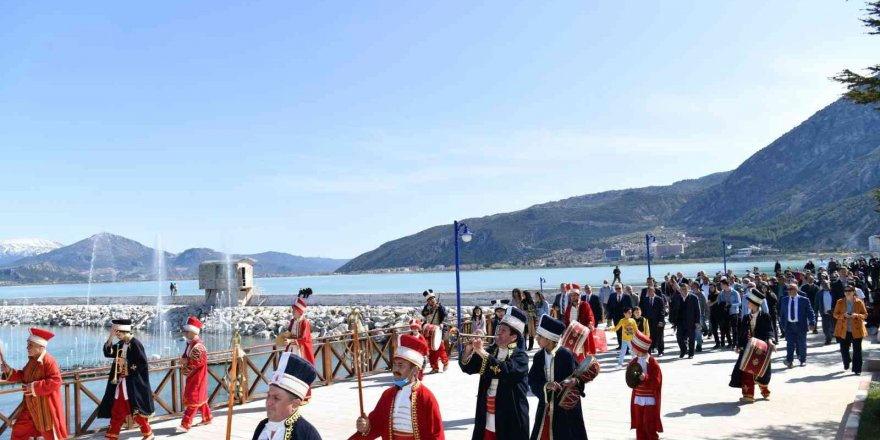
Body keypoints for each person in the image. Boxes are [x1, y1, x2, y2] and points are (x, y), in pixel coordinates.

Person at [351, 334, 444, 440]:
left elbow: (436, 434)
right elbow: (376, 424)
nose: (395, 369)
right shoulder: (388, 395)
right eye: (394, 364)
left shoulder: (426, 397)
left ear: (414, 370)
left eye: (401, 365)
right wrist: (366, 427)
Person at [459, 306, 530, 440]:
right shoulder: (491, 351)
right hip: (487, 416)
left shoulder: (521, 357)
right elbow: (468, 368)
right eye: (498, 328)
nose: (498, 332)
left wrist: (481, 351)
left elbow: (504, 370)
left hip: (510, 418)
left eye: (503, 330)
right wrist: (469, 349)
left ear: (513, 337)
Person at [527, 315, 589, 440]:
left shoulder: (566, 355)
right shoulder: (538, 356)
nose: (537, 339)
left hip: (566, 408)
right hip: (545, 406)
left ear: (549, 339)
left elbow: (580, 377)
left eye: (540, 337)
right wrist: (546, 386)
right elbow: (532, 380)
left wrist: (574, 381)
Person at [0, 327, 67, 440]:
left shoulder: (49, 361)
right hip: (30, 407)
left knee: (49, 434)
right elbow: (23, 376)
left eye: (30, 345)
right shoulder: (32, 360)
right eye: (27, 344)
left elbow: (56, 381)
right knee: (18, 430)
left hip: (44, 408)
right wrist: (9, 371)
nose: (27, 347)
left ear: (41, 347)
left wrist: (34, 387)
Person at [97, 319, 155, 440]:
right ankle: (113, 435)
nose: (117, 336)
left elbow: (142, 363)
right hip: (121, 383)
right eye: (116, 334)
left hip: (133, 384)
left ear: (124, 331)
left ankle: (147, 433)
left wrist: (126, 364)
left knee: (134, 410)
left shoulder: (135, 343)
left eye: (118, 333)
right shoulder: (121, 343)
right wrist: (110, 337)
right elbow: (108, 353)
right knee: (118, 408)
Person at [253, 353, 322, 440]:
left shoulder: (307, 434)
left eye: (276, 398)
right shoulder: (262, 427)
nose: (269, 402)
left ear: (295, 404)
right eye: (268, 395)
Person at [729, 289, 774, 402]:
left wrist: (770, 341)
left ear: (754, 303)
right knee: (746, 371)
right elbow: (741, 333)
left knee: (761, 371)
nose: (747, 304)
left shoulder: (765, 316)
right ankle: (748, 396)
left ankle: (765, 391)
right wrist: (738, 345)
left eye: (748, 302)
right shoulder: (745, 318)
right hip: (748, 349)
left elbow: (769, 331)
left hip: (760, 349)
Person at [177, 316, 212, 433]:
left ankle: (185, 424)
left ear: (193, 332)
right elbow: (188, 357)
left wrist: (185, 363)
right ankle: (207, 417)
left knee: (193, 399)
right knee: (200, 398)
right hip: (197, 376)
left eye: (187, 331)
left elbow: (196, 363)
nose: (185, 333)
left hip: (197, 377)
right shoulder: (191, 344)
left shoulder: (198, 346)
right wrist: (184, 360)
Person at [276, 297, 316, 400]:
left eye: (294, 310)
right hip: (291, 349)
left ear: (299, 311)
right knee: (289, 372)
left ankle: (304, 396)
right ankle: (291, 395)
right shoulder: (293, 321)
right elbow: (289, 332)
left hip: (300, 350)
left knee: (301, 372)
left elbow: (304, 338)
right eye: (292, 309)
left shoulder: (305, 322)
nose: (292, 311)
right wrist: (284, 337)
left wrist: (291, 341)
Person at [628, 331, 663, 440]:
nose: (632, 349)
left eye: (634, 347)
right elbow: (630, 379)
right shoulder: (634, 361)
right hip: (638, 398)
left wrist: (646, 378)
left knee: (649, 425)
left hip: (649, 399)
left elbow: (656, 382)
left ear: (640, 348)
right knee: (640, 426)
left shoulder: (652, 363)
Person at [778, 283, 816, 368]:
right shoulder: (784, 300)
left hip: (801, 325)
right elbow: (782, 314)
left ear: (796, 290)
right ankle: (789, 361)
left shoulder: (804, 300)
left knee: (802, 344)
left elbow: (810, 312)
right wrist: (783, 325)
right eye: (788, 289)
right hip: (789, 326)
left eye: (790, 289)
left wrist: (812, 322)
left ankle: (802, 360)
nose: (788, 291)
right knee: (790, 344)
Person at [834, 285, 868, 375]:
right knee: (844, 349)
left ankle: (857, 369)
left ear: (854, 292)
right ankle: (847, 361)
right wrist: (843, 315)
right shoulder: (840, 302)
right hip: (843, 330)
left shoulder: (859, 302)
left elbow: (865, 315)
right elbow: (835, 314)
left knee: (857, 350)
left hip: (857, 330)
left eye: (850, 290)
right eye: (845, 291)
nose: (847, 292)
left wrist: (856, 315)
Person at [562, 284, 596, 357]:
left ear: (579, 295)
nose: (573, 297)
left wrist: (590, 323)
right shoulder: (569, 307)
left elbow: (590, 316)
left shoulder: (585, 305)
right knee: (574, 354)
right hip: (572, 334)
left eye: (575, 295)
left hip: (583, 334)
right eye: (571, 295)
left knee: (584, 354)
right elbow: (566, 321)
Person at [674, 285, 700, 359]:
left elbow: (697, 310)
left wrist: (697, 321)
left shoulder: (694, 298)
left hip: (691, 322)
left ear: (688, 289)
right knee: (679, 338)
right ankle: (683, 350)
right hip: (680, 322)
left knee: (691, 338)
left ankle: (691, 354)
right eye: (682, 289)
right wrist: (673, 321)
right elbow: (673, 309)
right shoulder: (677, 298)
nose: (684, 291)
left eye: (685, 289)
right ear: (680, 290)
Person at [639, 287, 666, 356]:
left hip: (658, 321)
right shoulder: (645, 300)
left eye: (650, 291)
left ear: (654, 291)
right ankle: (649, 352)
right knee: (649, 336)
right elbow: (643, 311)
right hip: (648, 322)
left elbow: (662, 311)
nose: (649, 292)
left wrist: (661, 321)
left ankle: (661, 351)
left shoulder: (659, 299)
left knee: (659, 336)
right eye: (648, 291)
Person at [607, 283, 632, 351]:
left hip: (625, 317)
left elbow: (630, 307)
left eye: (619, 288)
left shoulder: (626, 296)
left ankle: (626, 347)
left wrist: (629, 316)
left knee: (626, 332)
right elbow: (609, 306)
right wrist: (609, 317)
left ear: (622, 288)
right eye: (616, 288)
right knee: (618, 331)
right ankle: (620, 345)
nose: (618, 290)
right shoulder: (612, 296)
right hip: (616, 317)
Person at [819, 280, 835, 345]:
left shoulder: (833, 292)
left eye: (826, 284)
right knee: (825, 328)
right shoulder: (820, 293)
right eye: (823, 284)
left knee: (834, 327)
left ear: (829, 284)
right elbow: (817, 303)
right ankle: (828, 338)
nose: (825, 285)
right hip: (824, 313)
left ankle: (834, 338)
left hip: (833, 313)